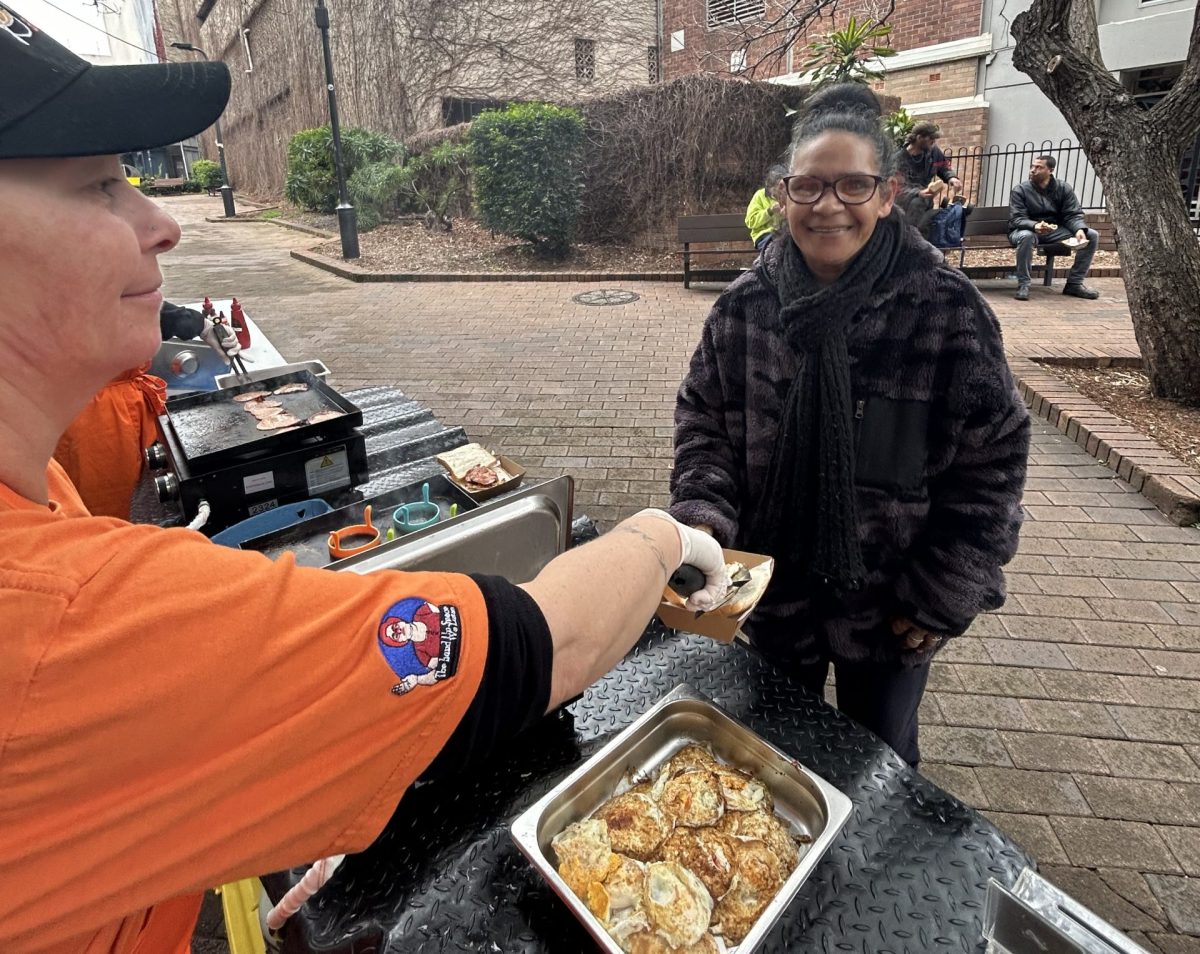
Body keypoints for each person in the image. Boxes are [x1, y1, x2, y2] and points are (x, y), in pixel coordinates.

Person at [0, 16, 729, 954]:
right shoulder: (72, 620)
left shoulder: (46, 495)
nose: (162, 221)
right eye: (100, 185)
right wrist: (661, 536)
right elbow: (540, 647)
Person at [670, 84, 1030, 768]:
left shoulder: (945, 311)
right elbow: (705, 423)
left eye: (852, 185)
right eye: (808, 186)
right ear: (783, 195)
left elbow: (994, 461)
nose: (827, 205)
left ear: (888, 193)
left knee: (882, 767)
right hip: (772, 598)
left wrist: (942, 594)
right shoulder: (744, 310)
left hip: (894, 611)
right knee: (770, 757)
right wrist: (703, 522)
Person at [52, 301, 241, 519]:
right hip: (94, 420)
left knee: (150, 501)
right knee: (110, 515)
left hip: (116, 406)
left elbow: (134, 303)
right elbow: (123, 301)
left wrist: (199, 324)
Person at [1008, 154, 1100, 301]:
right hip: (1024, 230)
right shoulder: (1020, 190)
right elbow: (1017, 218)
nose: (1033, 170)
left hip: (1054, 231)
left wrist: (1079, 229)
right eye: (1032, 166)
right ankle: (1023, 284)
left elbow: (1072, 214)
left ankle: (1074, 284)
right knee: (1026, 236)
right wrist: (1035, 225)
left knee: (1092, 235)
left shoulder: (1063, 188)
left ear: (1050, 170)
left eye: (1039, 167)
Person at [745, 164, 787, 250]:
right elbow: (750, 221)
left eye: (783, 187)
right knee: (777, 245)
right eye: (778, 187)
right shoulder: (760, 196)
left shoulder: (788, 195)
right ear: (770, 187)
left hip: (784, 234)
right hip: (764, 235)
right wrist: (769, 211)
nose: (780, 190)